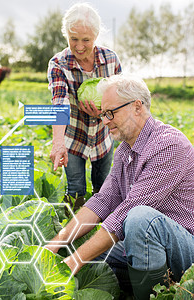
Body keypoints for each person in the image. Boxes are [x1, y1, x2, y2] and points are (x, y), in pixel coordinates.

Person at [45, 75, 194, 299]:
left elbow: (127, 213)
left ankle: (152, 295)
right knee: (83, 250)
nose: (105, 121)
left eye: (110, 113)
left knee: (139, 217)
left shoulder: (168, 145)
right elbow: (102, 201)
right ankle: (153, 285)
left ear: (137, 107)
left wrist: (74, 262)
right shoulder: (125, 151)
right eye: (103, 114)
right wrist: (58, 242)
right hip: (154, 246)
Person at [48, 3, 122, 210]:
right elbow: (59, 102)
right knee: (76, 191)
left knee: (104, 190)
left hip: (103, 136)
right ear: (66, 36)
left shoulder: (110, 60)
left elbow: (121, 98)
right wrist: (58, 142)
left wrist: (103, 114)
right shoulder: (58, 64)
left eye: (86, 40)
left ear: (96, 35)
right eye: (74, 39)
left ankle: (101, 233)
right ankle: (75, 233)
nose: (79, 46)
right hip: (74, 138)